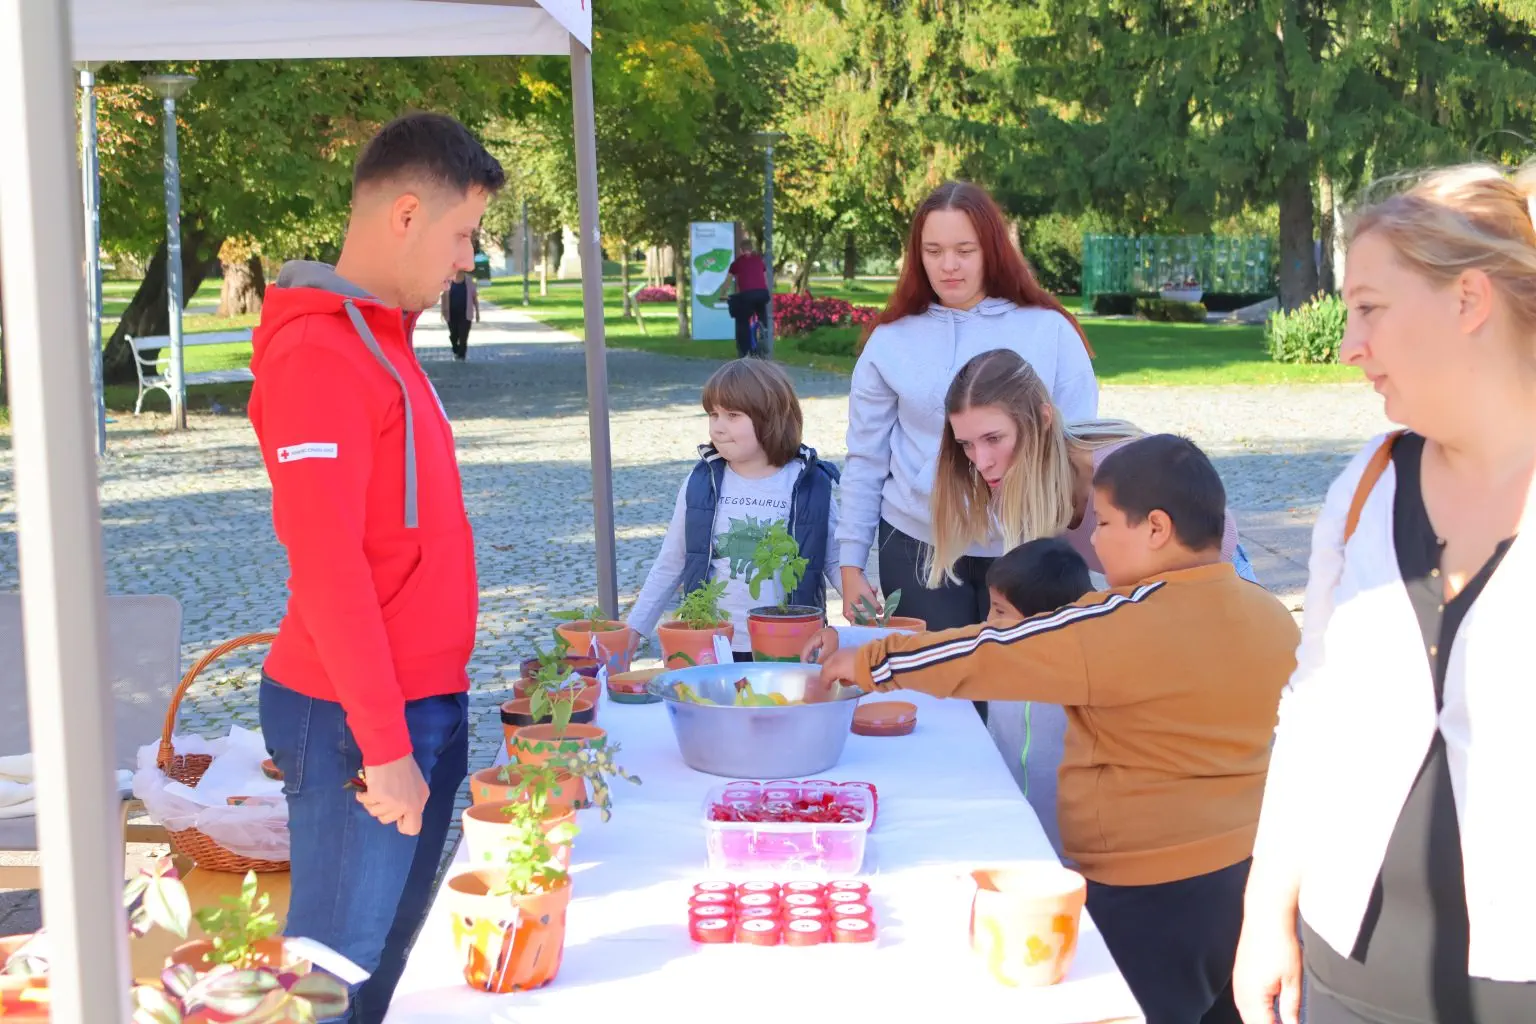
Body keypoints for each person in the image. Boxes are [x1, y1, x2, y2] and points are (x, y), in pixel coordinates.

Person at [816, 435, 1300, 1024]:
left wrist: (874, 660)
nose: (1091, 538)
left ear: (1156, 528)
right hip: (1249, 881)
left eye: (1102, 522)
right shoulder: (1272, 614)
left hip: (1144, 889)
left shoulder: (1116, 624)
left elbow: (989, 651)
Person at [1234, 165, 1536, 1024]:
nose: (1347, 345)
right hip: (1347, 963)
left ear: (1468, 300)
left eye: (1369, 308)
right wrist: (1265, 914)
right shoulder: (1363, 490)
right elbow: (1313, 710)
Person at [248, 112, 504, 1023]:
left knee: (385, 970)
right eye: (463, 233)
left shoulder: (383, 338)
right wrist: (388, 744)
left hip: (414, 701)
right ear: (405, 215)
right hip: (359, 716)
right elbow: (327, 569)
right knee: (330, 977)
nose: (469, 256)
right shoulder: (320, 351)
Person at [837, 181, 1099, 667]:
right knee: (935, 695)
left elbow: (1079, 448)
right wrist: (850, 563)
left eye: (964, 250)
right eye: (933, 251)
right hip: (919, 546)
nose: (948, 265)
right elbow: (865, 460)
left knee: (1022, 697)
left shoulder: (1049, 330)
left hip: (1028, 543)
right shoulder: (889, 341)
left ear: (992, 250)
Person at [626, 358, 841, 661]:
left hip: (791, 646)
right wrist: (634, 631)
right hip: (712, 647)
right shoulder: (702, 482)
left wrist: (869, 625)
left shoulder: (810, 483)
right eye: (713, 414)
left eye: (733, 415)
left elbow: (837, 560)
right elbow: (672, 561)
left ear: (771, 418)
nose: (718, 427)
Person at [977, 537, 1093, 854]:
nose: (989, 621)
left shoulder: (1085, 681)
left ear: (1044, 621)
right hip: (1007, 831)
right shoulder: (996, 663)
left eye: (1000, 610)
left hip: (1072, 848)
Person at [721, 223, 770, 358]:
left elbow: (728, 281)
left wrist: (723, 293)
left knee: (742, 320)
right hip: (763, 293)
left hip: (747, 296)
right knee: (761, 310)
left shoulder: (737, 263)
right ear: (752, 249)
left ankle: (745, 349)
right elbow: (764, 278)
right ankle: (763, 328)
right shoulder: (759, 261)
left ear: (742, 250)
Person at [439, 269, 479, 361]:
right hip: (451, 314)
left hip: (465, 314)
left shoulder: (469, 281)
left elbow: (474, 297)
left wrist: (477, 313)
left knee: (463, 336)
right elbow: (443, 297)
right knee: (453, 335)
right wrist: (442, 311)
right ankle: (456, 349)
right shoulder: (448, 281)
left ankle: (461, 355)